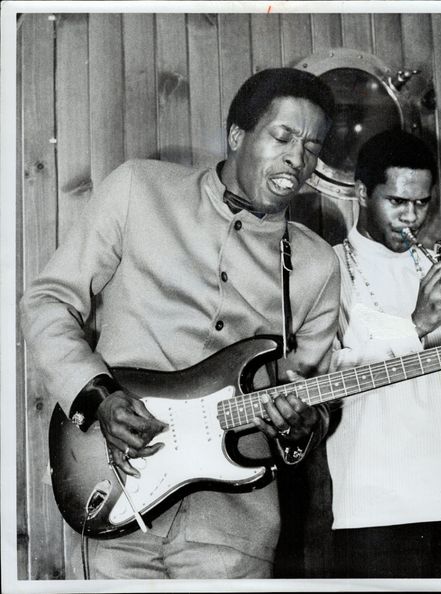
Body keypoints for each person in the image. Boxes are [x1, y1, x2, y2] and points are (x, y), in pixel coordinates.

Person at [20, 68, 341, 580]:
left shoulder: (317, 262)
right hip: (117, 487)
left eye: (312, 146)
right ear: (237, 135)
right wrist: (98, 396)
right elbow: (49, 301)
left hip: (236, 523)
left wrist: (305, 421)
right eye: (283, 136)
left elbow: (312, 389)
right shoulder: (137, 188)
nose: (297, 159)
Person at [319, 129, 441, 578]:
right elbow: (332, 378)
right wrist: (416, 324)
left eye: (422, 203)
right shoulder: (329, 268)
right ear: (362, 193)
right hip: (375, 509)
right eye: (397, 202)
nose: (412, 217)